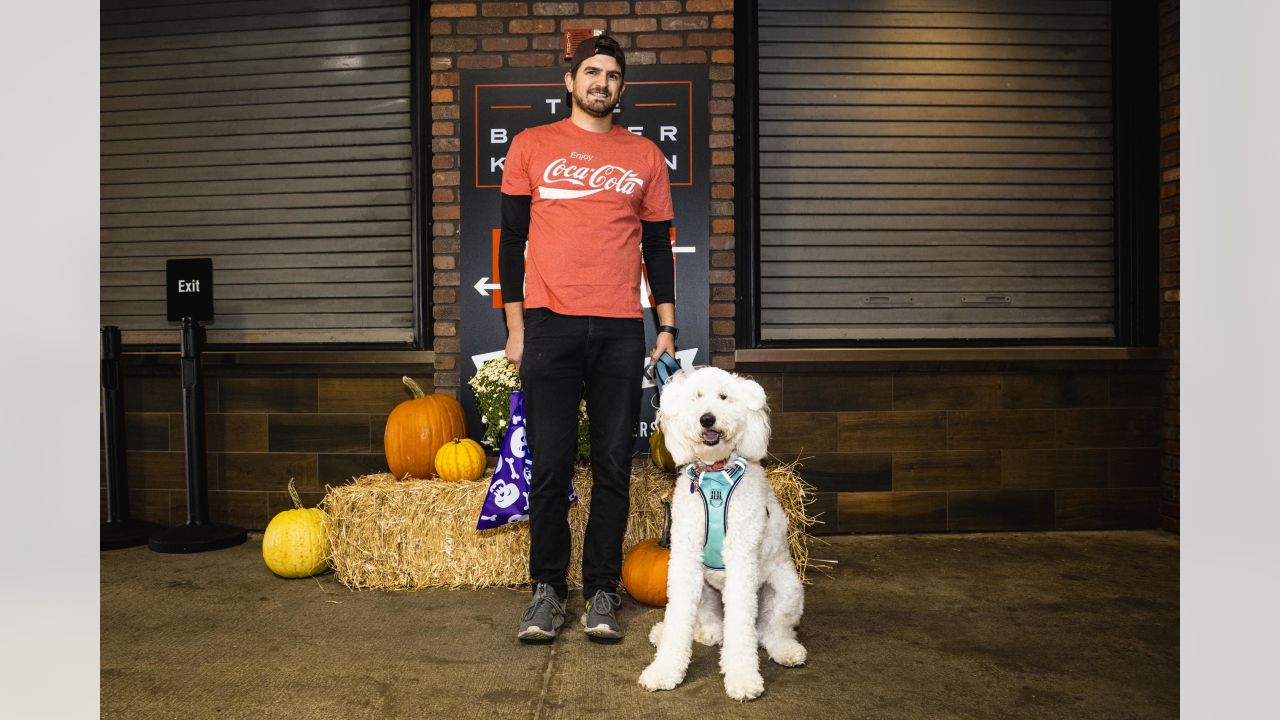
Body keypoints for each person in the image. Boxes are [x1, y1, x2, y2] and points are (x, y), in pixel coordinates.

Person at [498, 34, 678, 644]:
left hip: (620, 329)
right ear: (570, 81)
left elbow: (657, 247)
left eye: (613, 75)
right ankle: (547, 590)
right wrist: (517, 329)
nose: (602, 82)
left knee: (611, 468)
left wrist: (667, 327)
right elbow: (509, 241)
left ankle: (602, 589)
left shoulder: (645, 157)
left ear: (621, 88)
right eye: (591, 72)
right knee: (548, 468)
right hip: (548, 324)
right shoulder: (531, 146)